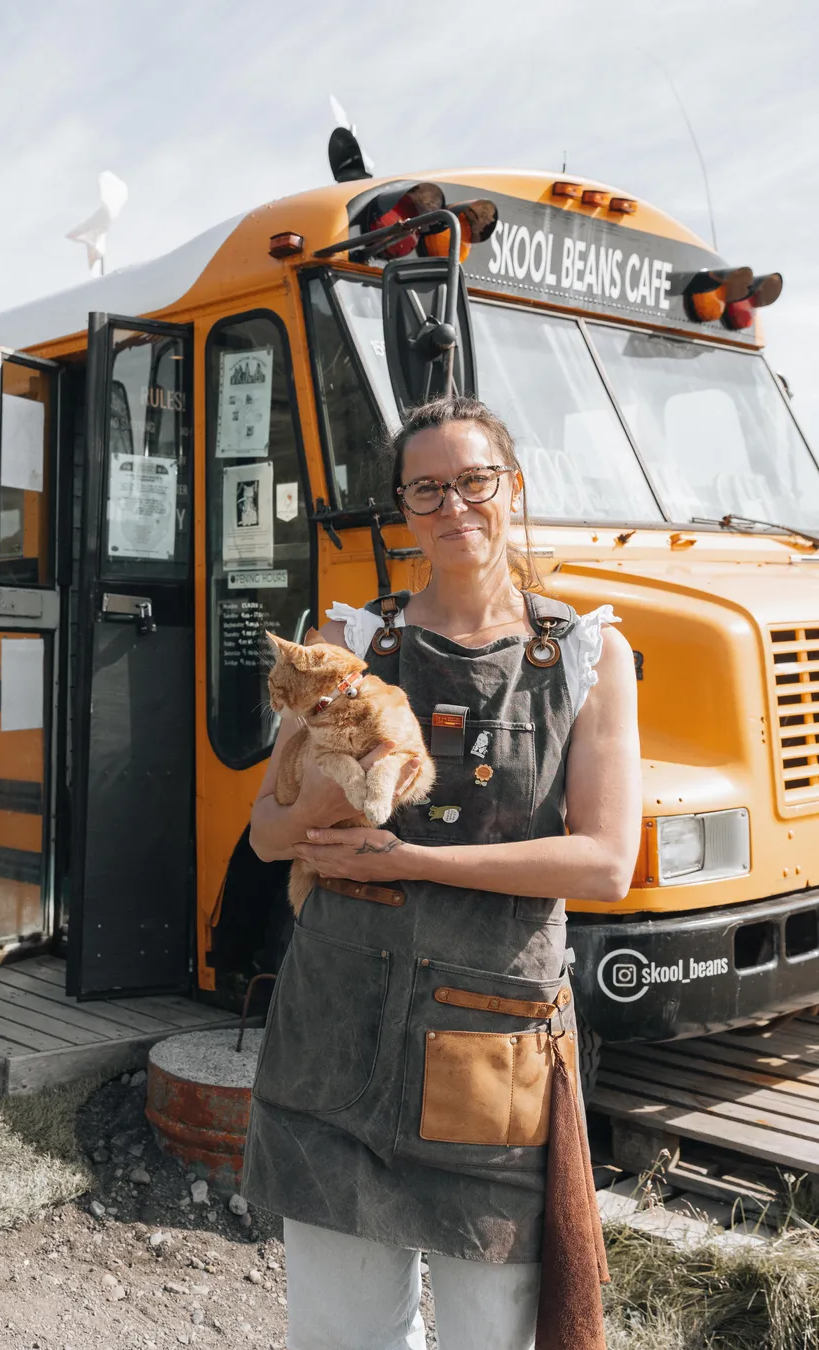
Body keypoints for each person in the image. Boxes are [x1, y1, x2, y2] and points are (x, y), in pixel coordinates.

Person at [242, 396, 641, 1350]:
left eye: (474, 481)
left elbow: (606, 863)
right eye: (426, 489)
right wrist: (327, 802)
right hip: (335, 1031)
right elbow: (263, 834)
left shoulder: (586, 654)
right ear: (403, 511)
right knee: (343, 1339)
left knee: (488, 1338)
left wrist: (410, 855)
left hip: (488, 1049)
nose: (453, 504)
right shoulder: (350, 645)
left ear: (514, 488)